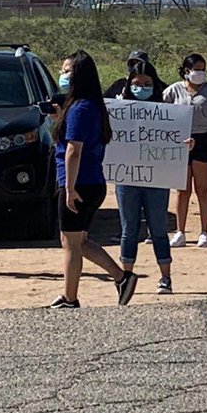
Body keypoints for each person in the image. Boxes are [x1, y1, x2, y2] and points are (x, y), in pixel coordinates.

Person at [50, 49, 137, 308]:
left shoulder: (81, 108)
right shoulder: (88, 106)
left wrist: (69, 187)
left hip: (80, 183)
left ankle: (70, 296)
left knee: (71, 243)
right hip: (89, 182)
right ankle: (122, 278)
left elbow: (74, 151)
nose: (62, 76)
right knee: (77, 241)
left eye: (66, 71)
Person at [115, 66, 177, 293]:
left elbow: (174, 138)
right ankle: (126, 277)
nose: (141, 88)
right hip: (127, 177)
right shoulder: (119, 110)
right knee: (128, 229)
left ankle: (165, 278)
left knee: (159, 228)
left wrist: (184, 144)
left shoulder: (165, 111)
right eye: (137, 84)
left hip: (157, 178)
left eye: (147, 84)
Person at [164, 53, 207, 249]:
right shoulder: (173, 91)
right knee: (182, 190)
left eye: (203, 69)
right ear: (187, 70)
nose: (200, 72)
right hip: (180, 141)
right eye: (196, 69)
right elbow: (159, 111)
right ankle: (180, 231)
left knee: (202, 188)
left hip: (203, 140)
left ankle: (204, 232)